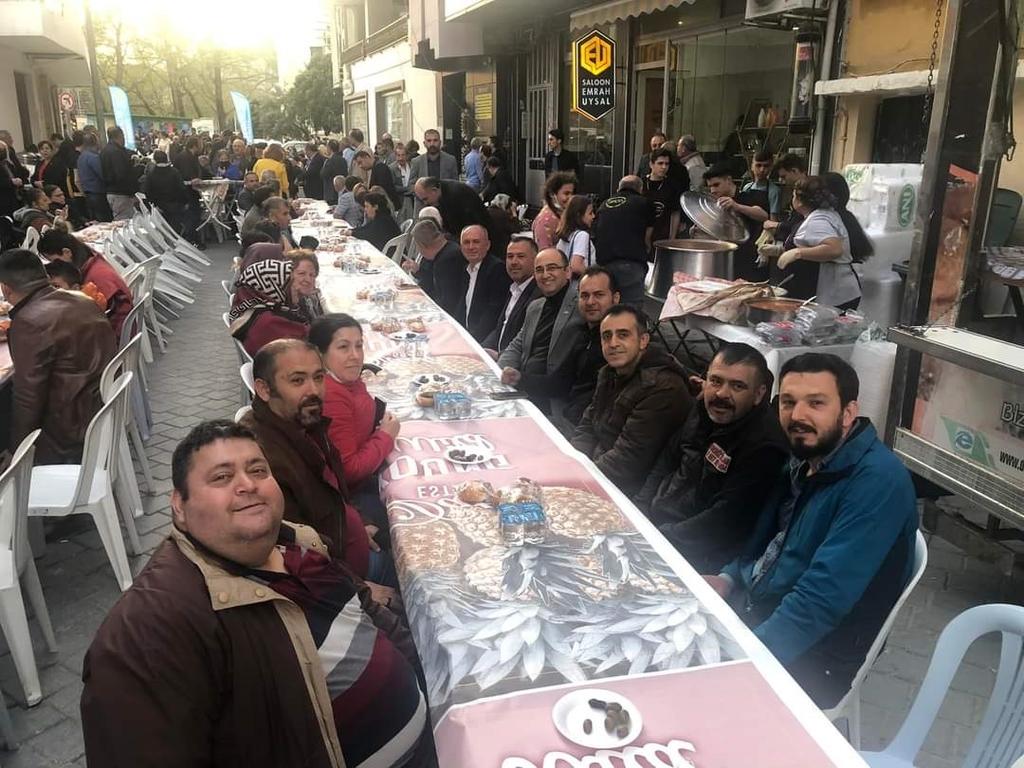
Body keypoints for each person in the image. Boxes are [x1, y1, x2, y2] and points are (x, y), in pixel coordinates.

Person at [81, 420, 430, 768]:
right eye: (222, 477)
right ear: (179, 506)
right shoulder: (149, 630)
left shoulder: (297, 545)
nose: (247, 484)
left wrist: (429, 681)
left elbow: (369, 613)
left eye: (258, 470)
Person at [705, 353, 918, 708]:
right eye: (788, 402)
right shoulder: (807, 456)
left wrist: (741, 662)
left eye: (816, 403)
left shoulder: (877, 483)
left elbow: (818, 604)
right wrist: (729, 577)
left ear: (848, 413)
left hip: (819, 656)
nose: (797, 416)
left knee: (686, 699)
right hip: (761, 608)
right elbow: (767, 541)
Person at [240, 340, 395, 585]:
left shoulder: (305, 421)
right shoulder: (261, 461)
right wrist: (360, 590)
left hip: (348, 538)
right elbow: (288, 555)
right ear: (264, 389)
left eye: (319, 377)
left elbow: (334, 488)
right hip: (343, 577)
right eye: (297, 380)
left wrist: (360, 522)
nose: (313, 390)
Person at [636, 344, 789, 572]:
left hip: (694, 554)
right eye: (716, 381)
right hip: (655, 521)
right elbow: (666, 459)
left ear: (758, 394)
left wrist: (654, 538)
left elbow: (722, 522)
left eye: (737, 386)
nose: (721, 394)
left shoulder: (764, 448)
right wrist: (639, 507)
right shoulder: (702, 409)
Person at [0, 247, 115, 464]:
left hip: (69, 434)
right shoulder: (83, 300)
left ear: (5, 289)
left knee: (8, 406)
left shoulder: (29, 321)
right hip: (100, 408)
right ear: (45, 275)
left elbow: (28, 396)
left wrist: (17, 451)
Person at [571, 304, 692, 497]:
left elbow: (627, 462)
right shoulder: (609, 372)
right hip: (598, 469)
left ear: (643, 340)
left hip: (630, 492)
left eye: (623, 335)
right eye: (606, 336)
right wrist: (571, 465)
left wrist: (576, 482)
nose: (613, 343)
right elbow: (587, 426)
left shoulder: (662, 387)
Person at [309, 314, 400, 522]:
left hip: (363, 477)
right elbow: (349, 470)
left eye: (359, 346)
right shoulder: (332, 396)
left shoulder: (344, 379)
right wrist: (386, 436)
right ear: (320, 354)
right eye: (343, 347)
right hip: (350, 497)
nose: (355, 356)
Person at [498, 248, 584, 411]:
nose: (545, 275)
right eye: (539, 270)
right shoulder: (535, 307)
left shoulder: (581, 304)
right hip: (523, 391)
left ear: (567, 272)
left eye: (552, 268)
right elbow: (517, 346)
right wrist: (499, 372)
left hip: (554, 402)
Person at [771, 176, 862, 309]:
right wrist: (780, 250)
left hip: (832, 293)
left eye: (794, 195)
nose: (792, 199)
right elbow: (813, 245)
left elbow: (834, 249)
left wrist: (797, 252)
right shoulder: (821, 215)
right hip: (837, 289)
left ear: (800, 201)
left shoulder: (817, 220)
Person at [556, 266, 621, 430]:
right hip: (571, 420)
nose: (590, 302)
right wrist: (519, 378)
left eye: (599, 295)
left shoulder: (620, 344)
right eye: (584, 296)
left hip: (588, 431)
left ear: (615, 298)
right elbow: (560, 381)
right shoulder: (581, 334)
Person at [37, 229, 134, 337]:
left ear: (67, 252)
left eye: (53, 260)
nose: (54, 265)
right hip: (122, 328)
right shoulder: (91, 259)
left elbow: (89, 321)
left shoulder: (95, 279)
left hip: (118, 335)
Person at [228, 257, 317, 357]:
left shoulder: (255, 311)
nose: (298, 293)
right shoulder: (270, 323)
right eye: (290, 285)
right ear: (273, 287)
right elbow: (313, 345)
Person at [592, 176, 653, 307]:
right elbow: (648, 235)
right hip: (630, 264)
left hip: (604, 265)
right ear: (640, 189)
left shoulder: (604, 204)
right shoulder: (643, 203)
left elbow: (596, 232)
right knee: (630, 310)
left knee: (606, 307)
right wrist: (647, 249)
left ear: (618, 189)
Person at [702, 162, 769, 283]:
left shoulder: (749, 196)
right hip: (726, 258)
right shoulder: (716, 205)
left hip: (749, 259)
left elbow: (763, 215)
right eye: (710, 186)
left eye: (716, 185)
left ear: (728, 180)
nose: (713, 190)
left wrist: (737, 206)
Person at [483, 233, 540, 355]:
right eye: (510, 256)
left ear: (535, 260)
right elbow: (500, 329)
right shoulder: (514, 289)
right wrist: (481, 350)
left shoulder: (538, 295)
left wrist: (499, 356)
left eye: (520, 256)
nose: (514, 262)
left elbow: (528, 343)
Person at [455, 224, 511, 342]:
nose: (471, 247)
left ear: (487, 245)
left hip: (483, 340)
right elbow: (462, 305)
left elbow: (493, 312)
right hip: (466, 334)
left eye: (476, 242)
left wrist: (472, 340)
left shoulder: (496, 269)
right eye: (466, 242)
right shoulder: (466, 269)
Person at [405, 218, 463, 313]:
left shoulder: (446, 261)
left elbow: (446, 302)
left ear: (422, 245)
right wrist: (418, 270)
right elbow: (432, 279)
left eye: (417, 246)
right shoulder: (448, 247)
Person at [413, 176, 490, 240]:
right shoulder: (442, 193)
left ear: (434, 190)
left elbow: (460, 228)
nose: (425, 203)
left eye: (425, 199)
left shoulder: (455, 195)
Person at [643, 148, 684, 244]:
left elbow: (675, 213)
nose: (664, 167)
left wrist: (672, 238)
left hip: (662, 234)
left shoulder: (672, 186)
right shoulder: (641, 183)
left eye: (667, 164)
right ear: (651, 164)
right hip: (641, 233)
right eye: (660, 163)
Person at [143, 150, 189, 232]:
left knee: (163, 231)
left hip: (159, 207)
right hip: (176, 206)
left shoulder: (151, 174)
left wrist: (154, 204)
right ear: (166, 159)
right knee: (175, 230)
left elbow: (147, 191)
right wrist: (185, 202)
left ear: (155, 160)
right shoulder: (175, 172)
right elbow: (182, 188)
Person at [100, 126, 139, 221]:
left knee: (119, 219)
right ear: (120, 136)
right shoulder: (117, 152)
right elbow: (121, 174)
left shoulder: (104, 151)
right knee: (124, 221)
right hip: (121, 194)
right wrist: (132, 192)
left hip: (110, 192)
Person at [555, 194, 596, 278]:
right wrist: (592, 277)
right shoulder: (582, 235)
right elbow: (576, 266)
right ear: (579, 215)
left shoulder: (566, 236)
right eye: (590, 213)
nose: (593, 216)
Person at [532, 172, 576, 249]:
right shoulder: (546, 219)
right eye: (566, 193)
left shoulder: (564, 213)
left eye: (572, 194)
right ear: (552, 194)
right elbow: (544, 250)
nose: (570, 197)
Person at [409, 129, 458, 195]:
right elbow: (411, 185)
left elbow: (455, 184)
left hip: (445, 200)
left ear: (440, 142)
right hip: (423, 200)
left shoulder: (450, 160)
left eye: (435, 140)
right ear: (424, 143)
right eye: (429, 141)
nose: (432, 144)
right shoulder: (416, 162)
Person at [77, 132, 110, 222]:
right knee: (104, 220)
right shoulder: (93, 157)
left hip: (87, 194)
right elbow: (102, 174)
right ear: (95, 142)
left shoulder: (81, 157)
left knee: (95, 221)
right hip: (98, 193)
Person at [743, 149, 782, 219]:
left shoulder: (774, 191)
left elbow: (773, 220)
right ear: (752, 167)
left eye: (766, 166)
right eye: (758, 165)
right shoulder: (747, 188)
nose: (762, 170)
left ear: (770, 168)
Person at [390, 143, 414, 223]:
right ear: (395, 156)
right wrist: (408, 189)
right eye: (398, 155)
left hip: (413, 199)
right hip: (400, 201)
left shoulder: (412, 165)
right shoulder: (391, 168)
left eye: (403, 155)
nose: (401, 158)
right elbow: (393, 187)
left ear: (407, 155)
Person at [320, 139, 349, 206]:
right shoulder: (343, 160)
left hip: (331, 192)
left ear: (329, 148)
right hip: (342, 189)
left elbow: (323, 174)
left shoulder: (330, 161)